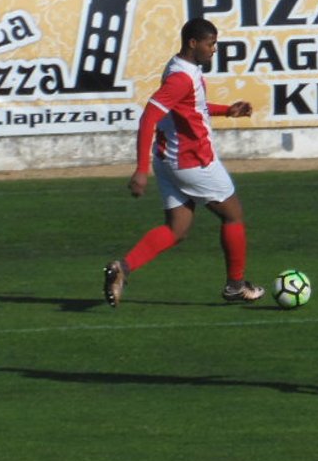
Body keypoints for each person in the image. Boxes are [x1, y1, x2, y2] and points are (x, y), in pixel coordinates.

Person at [104, 17, 265, 308]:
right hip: (192, 161)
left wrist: (226, 110)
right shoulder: (181, 78)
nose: (214, 49)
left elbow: (191, 107)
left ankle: (122, 268)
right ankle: (235, 285)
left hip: (168, 159)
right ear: (193, 43)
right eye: (210, 43)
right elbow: (148, 118)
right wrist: (140, 170)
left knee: (177, 228)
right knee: (233, 215)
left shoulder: (180, 68)